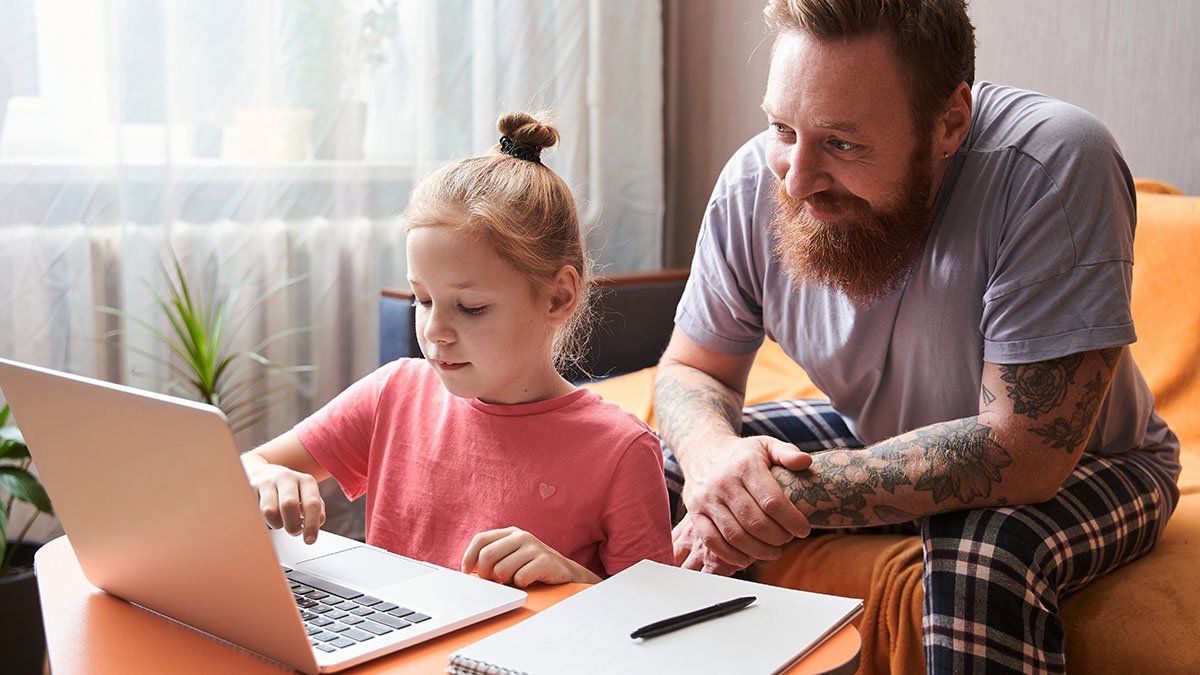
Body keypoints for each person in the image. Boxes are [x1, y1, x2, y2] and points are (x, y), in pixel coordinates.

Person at [654, 0, 1180, 671]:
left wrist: (769, 497)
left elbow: (1023, 452)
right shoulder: (755, 182)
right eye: (783, 128)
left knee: (985, 555)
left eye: (842, 143)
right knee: (658, 467)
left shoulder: (1053, 164)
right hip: (882, 431)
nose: (796, 176)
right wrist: (713, 462)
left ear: (950, 122)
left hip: (1093, 462)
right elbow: (692, 370)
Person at [243, 112, 672, 588]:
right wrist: (263, 479)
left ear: (558, 297)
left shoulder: (622, 451)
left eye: (470, 308)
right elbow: (243, 468)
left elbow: (653, 630)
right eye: (423, 300)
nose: (436, 331)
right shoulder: (394, 393)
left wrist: (571, 581)